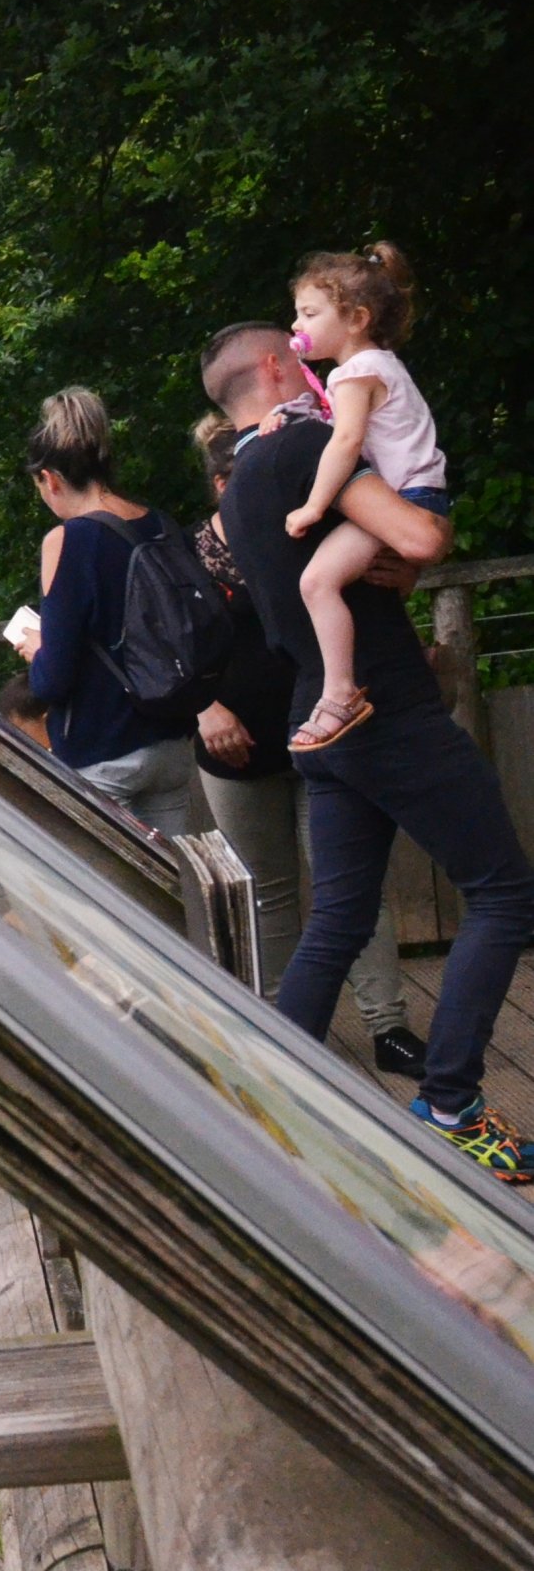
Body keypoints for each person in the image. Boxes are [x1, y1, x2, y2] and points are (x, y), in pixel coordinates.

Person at [207, 319, 533, 1178]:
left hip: (315, 718)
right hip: (382, 710)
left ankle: (272, 1101)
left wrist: (396, 556)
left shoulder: (237, 482)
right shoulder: (308, 444)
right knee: (504, 893)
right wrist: (422, 544)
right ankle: (450, 1101)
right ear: (278, 365)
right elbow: (420, 534)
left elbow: (365, 557)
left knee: (339, 919)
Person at [186, 423, 425, 1078]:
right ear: (219, 485)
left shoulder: (306, 536)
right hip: (238, 756)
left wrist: (402, 577)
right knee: (268, 894)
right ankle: (285, 1037)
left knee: (352, 887)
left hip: (327, 739)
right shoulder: (186, 556)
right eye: (246, 477)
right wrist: (203, 708)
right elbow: (161, 653)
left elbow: (386, 585)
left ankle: (388, 1027)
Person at [280, 243, 453, 748]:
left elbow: (346, 441)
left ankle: (338, 693)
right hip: (423, 496)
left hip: (403, 499)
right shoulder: (382, 365)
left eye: (309, 313)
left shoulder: (354, 373)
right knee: (364, 585)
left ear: (356, 318)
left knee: (317, 582)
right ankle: (419, 658)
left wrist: (313, 504)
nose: (296, 324)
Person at [6, 388, 194, 833]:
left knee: (107, 899)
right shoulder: (158, 524)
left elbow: (55, 678)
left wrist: (37, 649)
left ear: (49, 478)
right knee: (177, 896)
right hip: (171, 742)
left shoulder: (68, 541)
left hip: (104, 754)